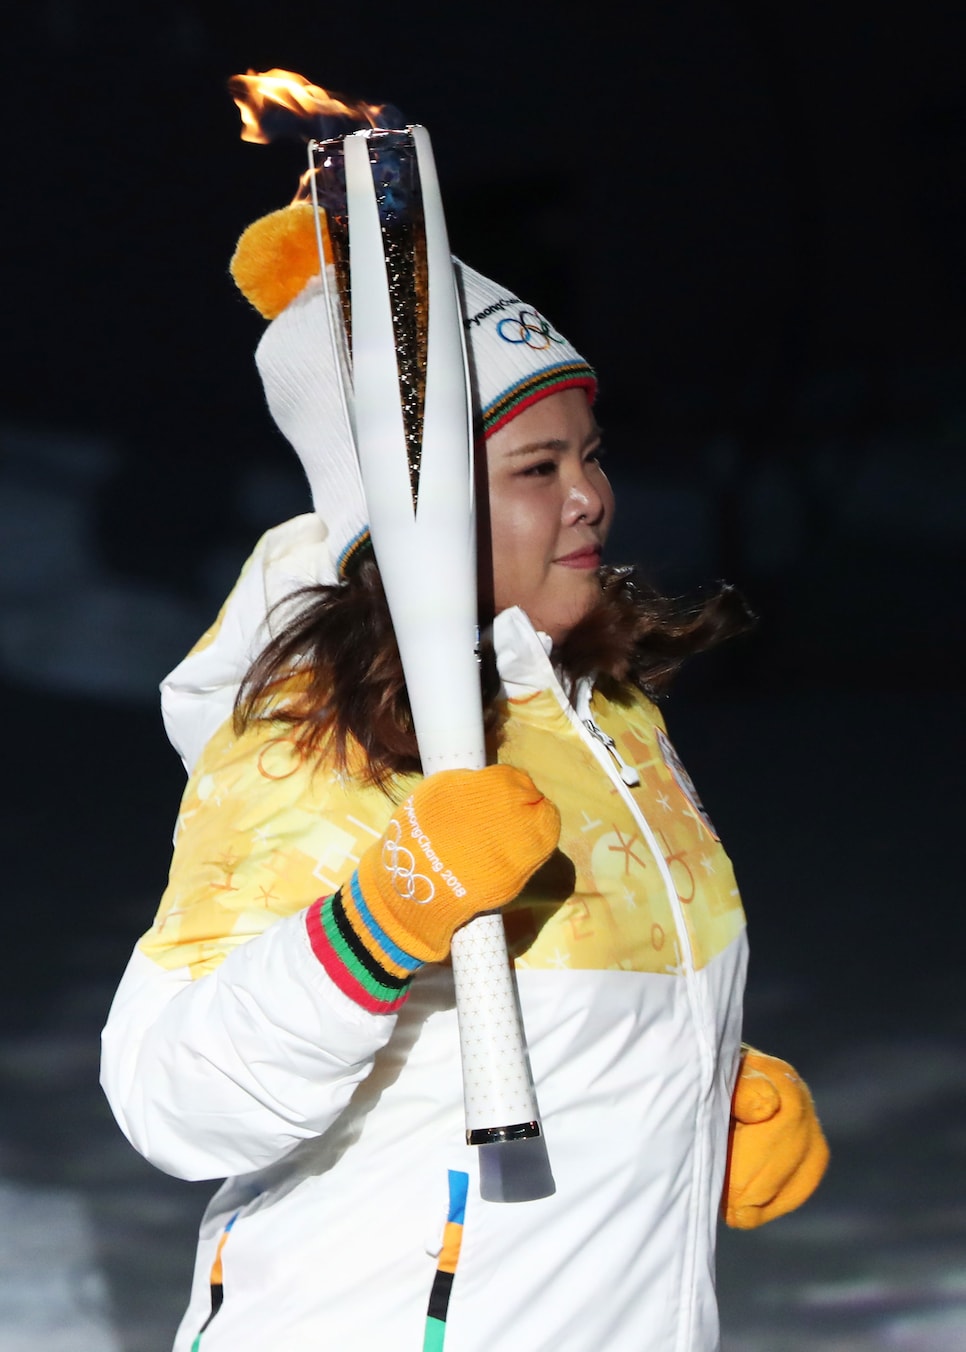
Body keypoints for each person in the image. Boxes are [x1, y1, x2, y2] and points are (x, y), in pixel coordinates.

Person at [100, 199, 829, 1352]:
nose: (589, 494)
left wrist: (698, 1092)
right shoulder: (315, 734)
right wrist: (377, 924)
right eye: (538, 466)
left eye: (591, 453)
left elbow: (537, 1016)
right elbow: (173, 1095)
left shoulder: (608, 715)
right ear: (415, 510)